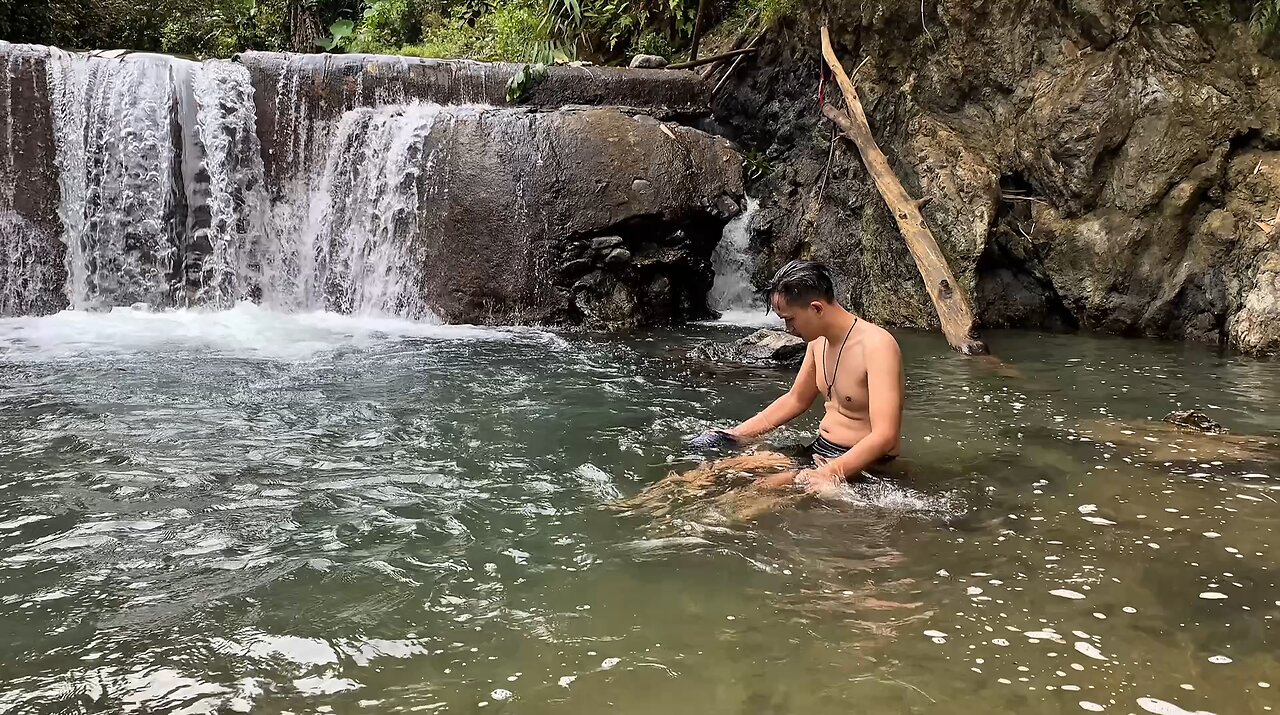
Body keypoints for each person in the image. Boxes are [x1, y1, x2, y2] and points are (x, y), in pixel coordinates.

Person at [691, 260, 904, 493]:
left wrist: (830, 473)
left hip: (864, 464)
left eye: (789, 319)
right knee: (709, 472)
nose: (786, 329)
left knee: (754, 493)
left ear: (817, 308)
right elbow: (796, 399)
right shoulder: (818, 341)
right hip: (820, 449)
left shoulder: (877, 345)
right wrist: (735, 434)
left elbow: (886, 435)